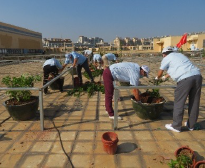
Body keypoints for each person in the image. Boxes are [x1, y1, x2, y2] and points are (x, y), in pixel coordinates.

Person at [155, 46, 202, 132]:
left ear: (164, 54)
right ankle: (191, 125)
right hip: (197, 76)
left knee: (179, 102)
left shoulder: (167, 58)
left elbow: (160, 72)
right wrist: (166, 76)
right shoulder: (180, 55)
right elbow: (179, 67)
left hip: (185, 79)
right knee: (195, 102)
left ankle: (176, 126)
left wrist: (157, 79)